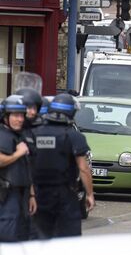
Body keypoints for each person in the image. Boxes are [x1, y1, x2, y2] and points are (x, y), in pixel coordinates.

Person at [32, 93, 94, 238]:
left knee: (40, 237)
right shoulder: (74, 136)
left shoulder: (35, 133)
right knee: (68, 239)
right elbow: (83, 168)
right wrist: (90, 194)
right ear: (71, 112)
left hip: (38, 194)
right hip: (64, 194)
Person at [0, 96, 36, 241]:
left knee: (21, 239)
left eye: (21, 115)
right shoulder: (3, 136)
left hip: (21, 196)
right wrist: (18, 153)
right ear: (5, 116)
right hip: (6, 197)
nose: (20, 119)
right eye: (15, 115)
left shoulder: (18, 135)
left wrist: (32, 195)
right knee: (8, 240)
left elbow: (27, 167)